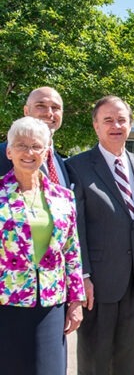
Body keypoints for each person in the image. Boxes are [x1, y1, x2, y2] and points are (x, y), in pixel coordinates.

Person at [67, 95, 134, 374]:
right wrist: (82, 276)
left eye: (121, 119)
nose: (115, 125)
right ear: (95, 126)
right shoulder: (77, 166)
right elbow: (76, 228)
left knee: (129, 360)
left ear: (130, 124)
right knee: (95, 361)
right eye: (107, 119)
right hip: (97, 282)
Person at [0, 116, 85, 374]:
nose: (29, 152)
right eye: (21, 145)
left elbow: (72, 251)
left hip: (50, 304)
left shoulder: (63, 197)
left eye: (36, 146)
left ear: (46, 151)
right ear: (9, 151)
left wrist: (76, 300)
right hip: (6, 304)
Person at [0, 87, 70, 186]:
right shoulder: (2, 155)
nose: (49, 113)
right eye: (41, 106)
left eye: (55, 107)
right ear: (26, 111)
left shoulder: (64, 164)